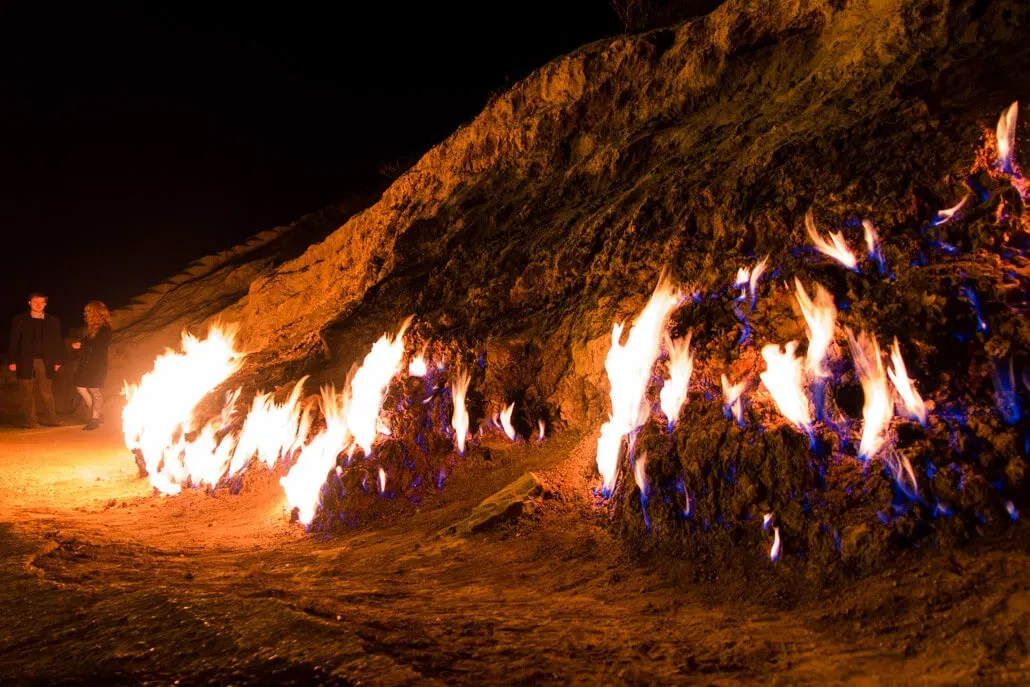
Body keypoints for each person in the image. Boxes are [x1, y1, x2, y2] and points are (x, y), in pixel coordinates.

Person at [8, 292, 63, 428]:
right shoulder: (19, 320)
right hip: (24, 360)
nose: (38, 305)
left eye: (41, 302)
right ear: (29, 303)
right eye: (35, 302)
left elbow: (57, 342)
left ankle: (52, 418)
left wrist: (58, 361)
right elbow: (14, 341)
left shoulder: (53, 321)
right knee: (26, 391)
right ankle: (31, 421)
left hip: (46, 361)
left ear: (45, 304)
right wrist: (12, 361)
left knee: (46, 392)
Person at [71, 300, 112, 431]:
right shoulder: (93, 329)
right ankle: (98, 414)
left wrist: (82, 345)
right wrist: (80, 343)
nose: (85, 314)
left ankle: (94, 419)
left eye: (88, 311)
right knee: (81, 387)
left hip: (97, 365)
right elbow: (87, 341)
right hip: (88, 364)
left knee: (95, 391)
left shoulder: (104, 329)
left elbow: (98, 347)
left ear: (95, 313)